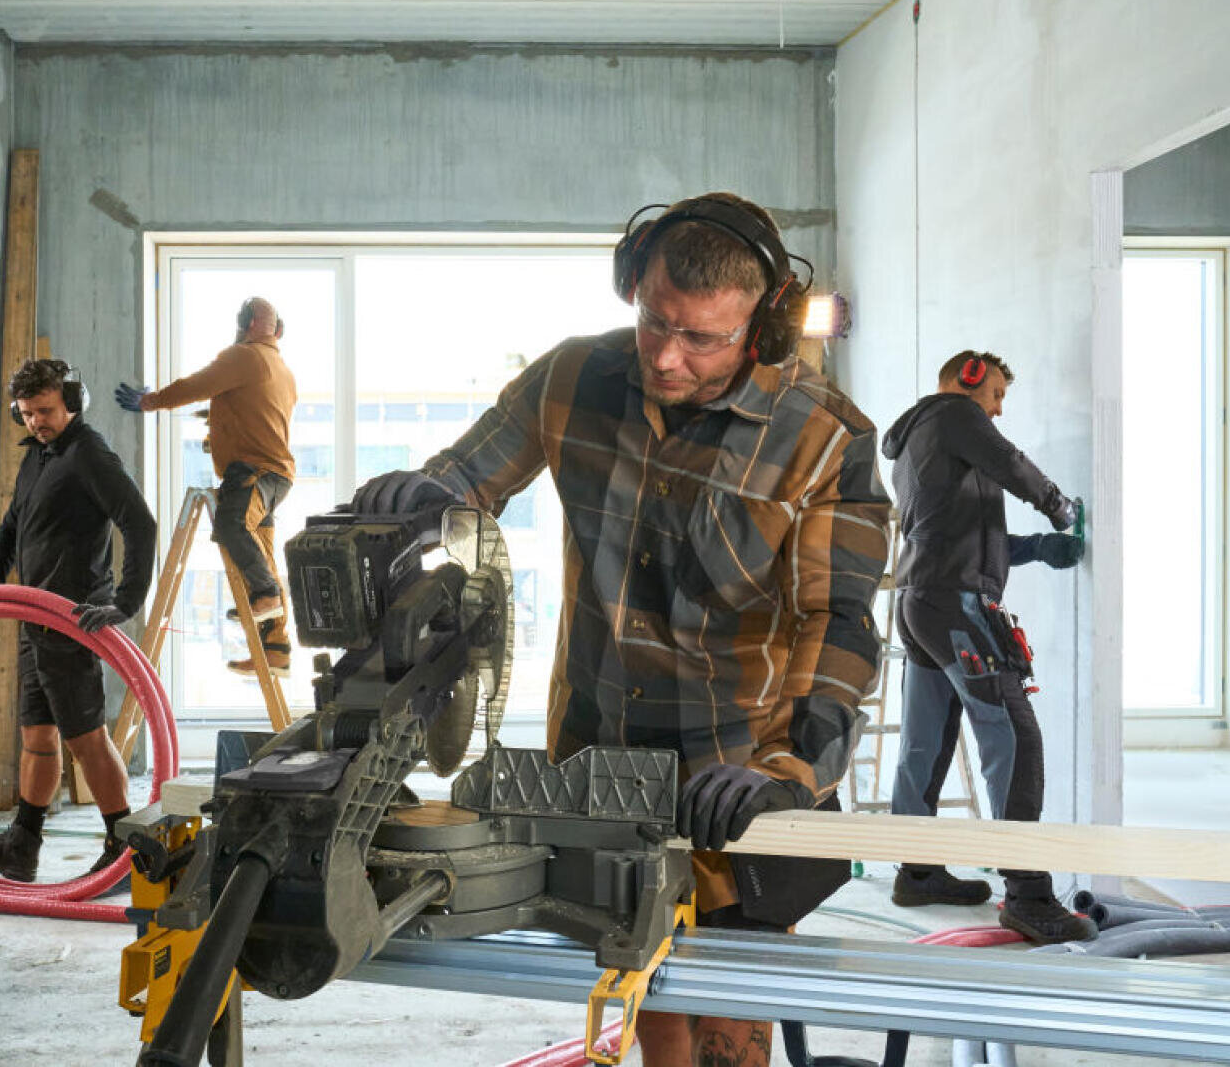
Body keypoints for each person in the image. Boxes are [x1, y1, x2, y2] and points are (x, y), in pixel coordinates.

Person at [350, 194, 891, 1067]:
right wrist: (425, 496)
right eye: (653, 323)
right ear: (632, 286)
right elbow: (468, 474)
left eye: (702, 339)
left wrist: (790, 778)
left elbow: (839, 623)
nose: (666, 357)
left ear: (765, 327)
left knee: (729, 1019)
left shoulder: (823, 439)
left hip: (734, 777)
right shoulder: (574, 377)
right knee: (646, 989)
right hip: (596, 764)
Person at [882, 350, 1095, 944]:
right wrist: (1061, 508)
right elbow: (1010, 464)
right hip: (955, 605)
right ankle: (1027, 895)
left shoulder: (920, 439)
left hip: (921, 600)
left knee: (926, 739)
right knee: (1014, 732)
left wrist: (1038, 548)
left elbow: (967, 532)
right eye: (996, 392)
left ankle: (917, 868)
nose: (998, 408)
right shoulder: (955, 415)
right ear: (968, 377)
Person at [0, 359, 157, 883]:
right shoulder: (38, 457)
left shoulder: (89, 455)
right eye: (28, 412)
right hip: (34, 615)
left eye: (45, 410)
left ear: (71, 403)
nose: (37, 421)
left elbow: (140, 522)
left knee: (85, 739)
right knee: (37, 736)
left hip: (73, 619)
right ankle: (24, 844)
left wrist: (124, 603)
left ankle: (122, 846)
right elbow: (13, 525)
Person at [115, 297, 298, 679]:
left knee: (231, 527)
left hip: (252, 473)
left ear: (248, 324)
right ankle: (276, 648)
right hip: (277, 476)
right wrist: (216, 419)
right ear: (277, 330)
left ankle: (267, 595)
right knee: (260, 550)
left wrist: (151, 401)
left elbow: (197, 385)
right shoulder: (280, 368)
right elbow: (251, 411)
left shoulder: (244, 356)